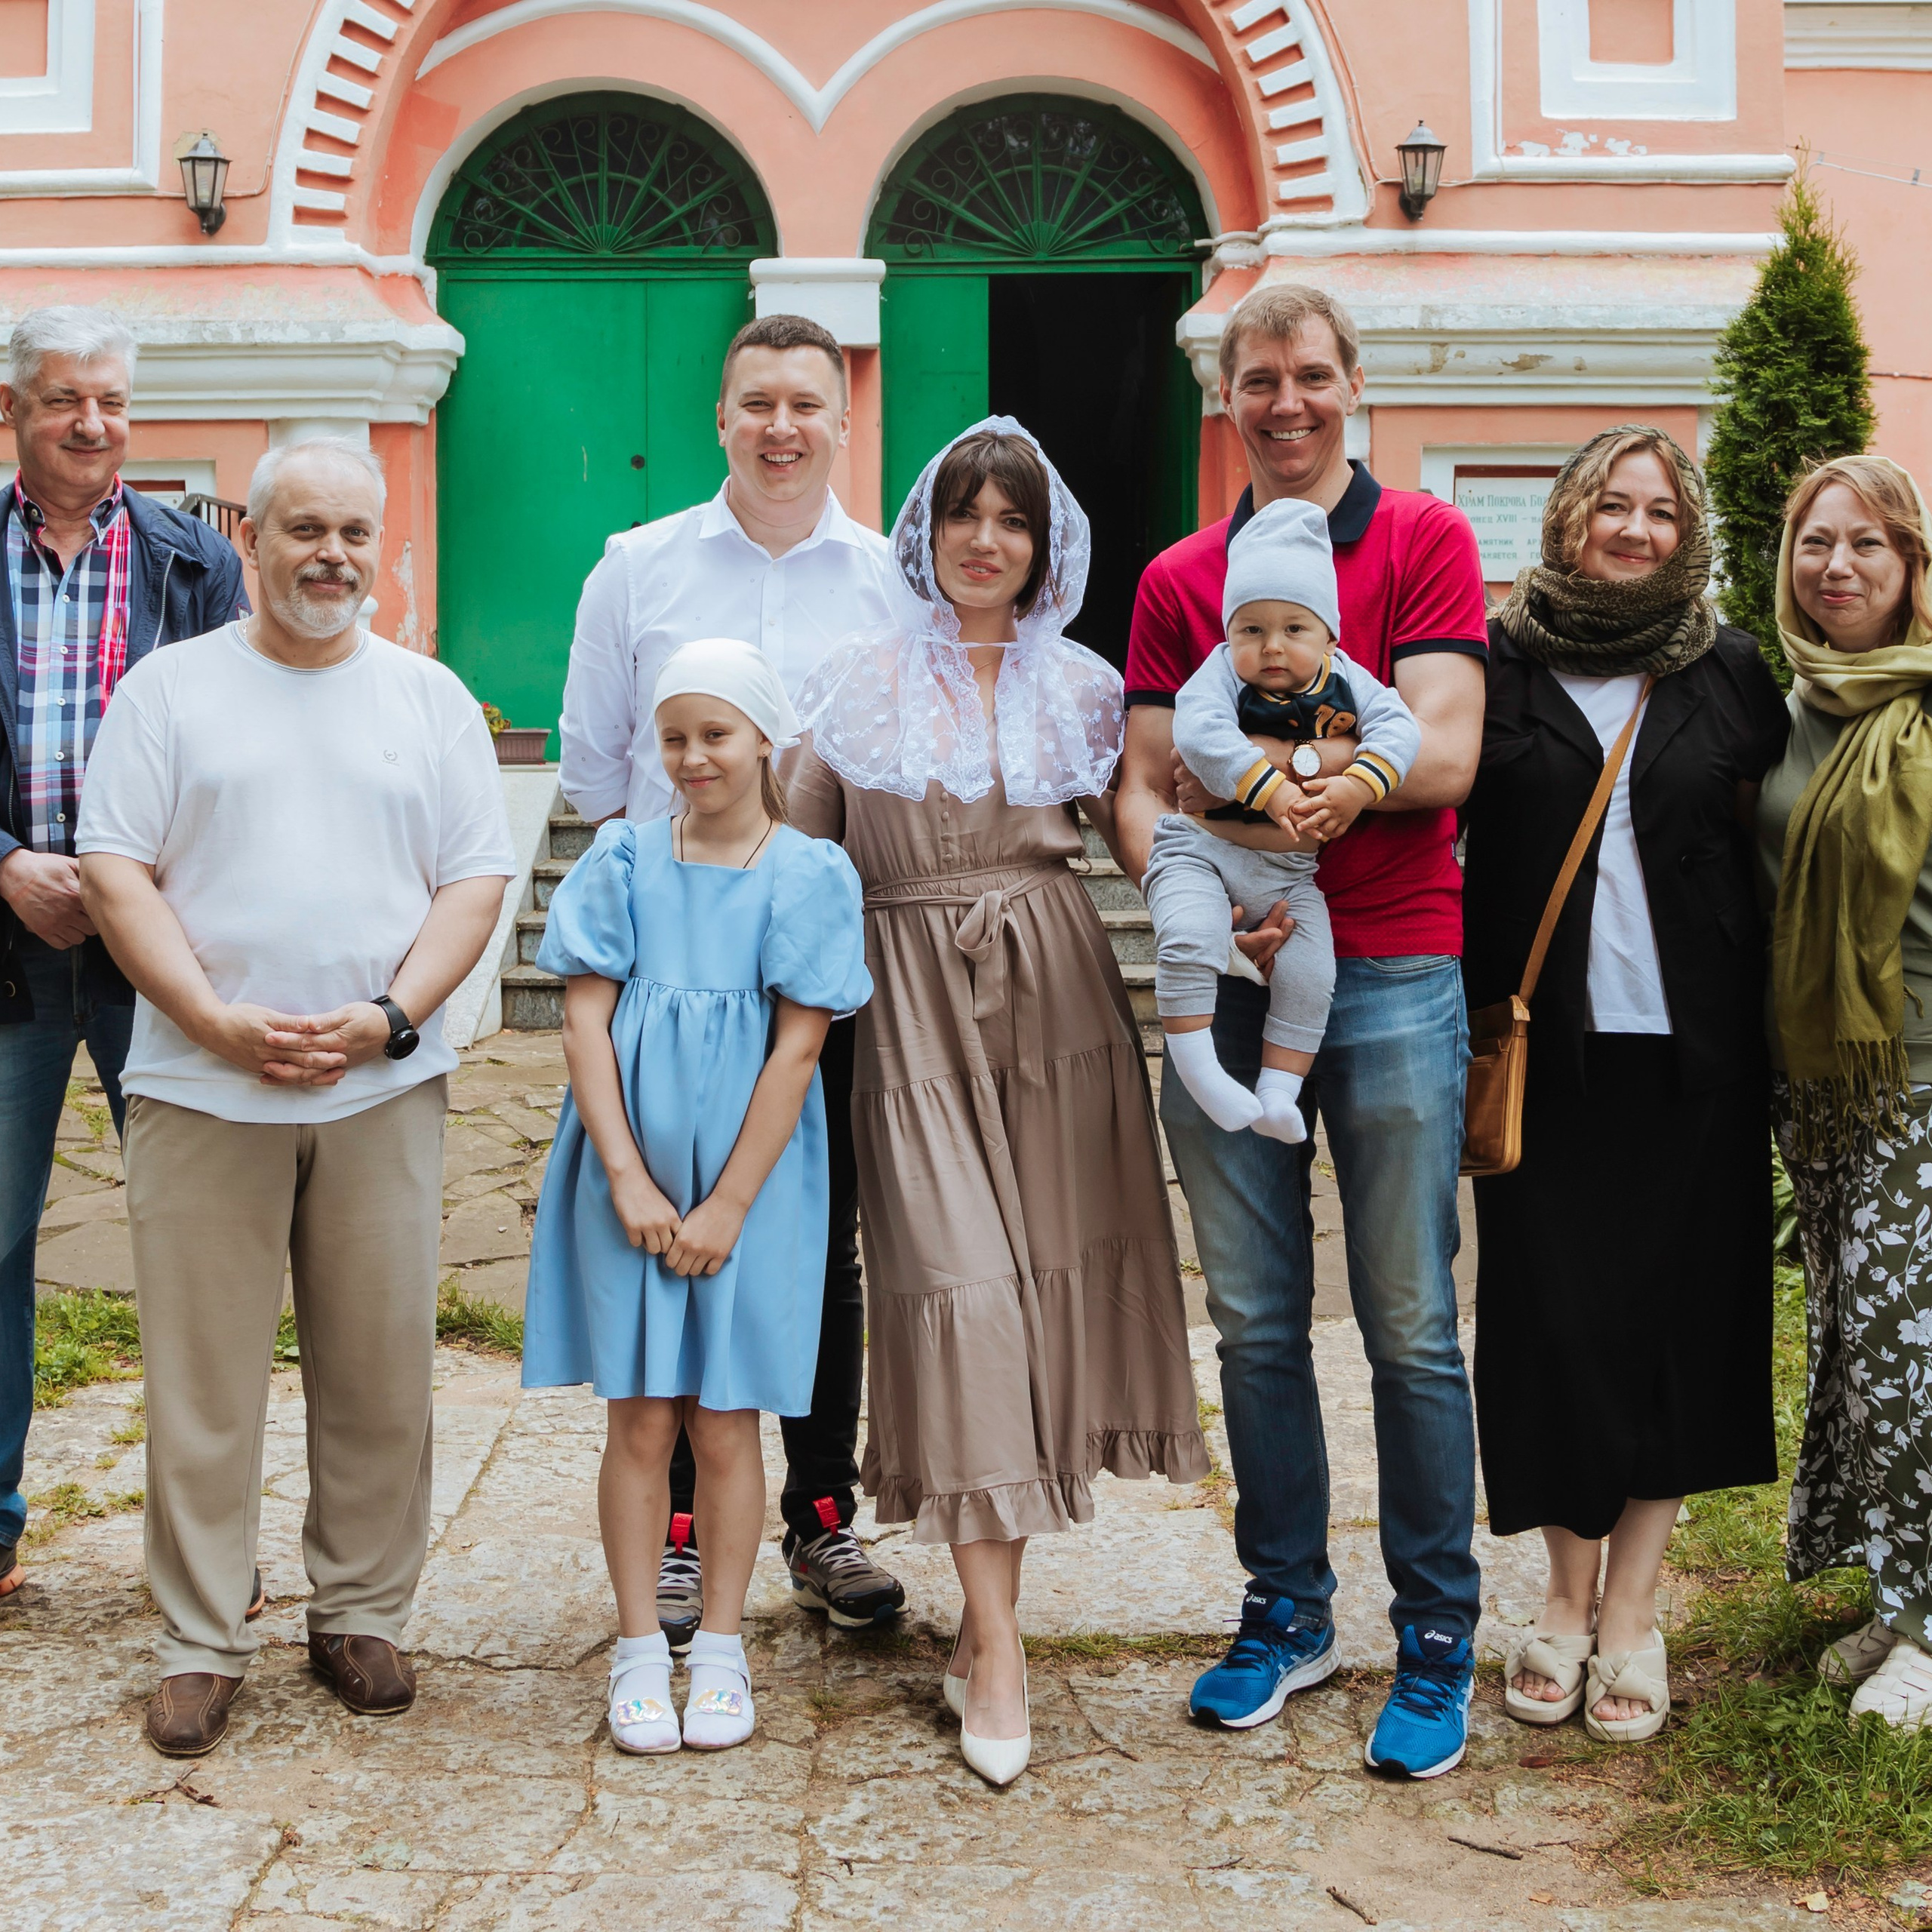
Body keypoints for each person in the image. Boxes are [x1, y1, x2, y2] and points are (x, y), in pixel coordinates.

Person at [75, 439, 512, 1757]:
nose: (331, 554)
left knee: (380, 1368)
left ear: (380, 549)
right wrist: (211, 1019)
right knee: (202, 1381)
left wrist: (393, 1017)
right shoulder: (168, 692)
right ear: (251, 540)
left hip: (380, 1085)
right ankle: (200, 1639)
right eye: (304, 529)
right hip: (201, 1085)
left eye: (353, 532)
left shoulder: (429, 700)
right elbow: (114, 871)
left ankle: (361, 1614)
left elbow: (474, 882)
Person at [792, 418, 1208, 1786]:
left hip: (1058, 1005)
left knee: (1034, 1304)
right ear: (924, 533)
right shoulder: (853, 682)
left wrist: (1225, 911)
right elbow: (784, 858)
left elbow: (1151, 821)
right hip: (906, 1012)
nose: (986, 540)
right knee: (960, 1293)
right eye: (964, 514)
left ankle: (987, 1623)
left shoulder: (1084, 688)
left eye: (1012, 520)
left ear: (1044, 546)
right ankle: (1006, 1648)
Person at [1116, 283, 1489, 1778]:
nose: (1287, 402)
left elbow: (1445, 746)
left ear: (1352, 383)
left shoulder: (1425, 541)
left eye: (1312, 374)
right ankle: (1285, 1613)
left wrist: (1321, 795)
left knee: (1410, 1322)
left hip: (1392, 965)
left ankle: (1438, 1635)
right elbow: (1142, 782)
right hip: (1232, 969)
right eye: (1259, 378)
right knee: (1257, 1322)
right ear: (1226, 395)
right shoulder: (1179, 578)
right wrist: (1198, 899)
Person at [558, 312, 904, 1643]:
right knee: (659, 1230)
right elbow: (597, 770)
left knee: (816, 1237)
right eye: (757, 402)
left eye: (806, 404)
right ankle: (683, 1528)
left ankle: (819, 1512)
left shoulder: (890, 582)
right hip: (666, 973)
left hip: (813, 954)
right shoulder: (635, 568)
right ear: (721, 416)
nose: (780, 427)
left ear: (842, 422)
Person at [1462, 425, 1786, 1743]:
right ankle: (1562, 1597)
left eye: (1660, 511)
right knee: (1552, 1322)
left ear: (1686, 532)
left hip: (1699, 1061)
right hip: (1547, 1060)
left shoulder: (1729, 670)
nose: (1636, 530)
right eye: (1613, 504)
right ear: (1567, 517)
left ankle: (1634, 1615)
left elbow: (1776, 843)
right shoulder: (1495, 666)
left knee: (1678, 1325)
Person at [525, 638, 869, 1755]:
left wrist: (728, 1205)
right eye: (673, 737)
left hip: (749, 1188)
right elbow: (585, 1022)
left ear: (764, 738)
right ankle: (638, 1649)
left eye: (715, 734)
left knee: (726, 1420)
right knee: (638, 1418)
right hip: (628, 1178)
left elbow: (798, 1049)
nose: (692, 757)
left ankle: (720, 1647)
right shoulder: (622, 859)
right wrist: (625, 1175)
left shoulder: (807, 872)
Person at [0, 305, 246, 1601]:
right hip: (6, 949)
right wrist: (3, 861)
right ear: (14, 413)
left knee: (200, 1249)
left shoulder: (195, 562)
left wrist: (129, 883)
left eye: (110, 401)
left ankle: (205, 1548)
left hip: (160, 953)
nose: (92, 423)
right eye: (63, 400)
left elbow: (250, 739)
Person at [1759, 453, 1932, 1734]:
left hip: (1921, 1076)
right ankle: (1900, 1587)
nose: (1838, 566)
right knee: (1855, 1353)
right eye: (1817, 542)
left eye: (1868, 543)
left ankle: (1926, 1628)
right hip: (1815, 1083)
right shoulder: (1788, 705)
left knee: (1906, 1355)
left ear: (1912, 564)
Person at [1147, 494, 1419, 1142]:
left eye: (1294, 628)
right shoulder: (1220, 674)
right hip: (1198, 851)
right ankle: (1202, 1073)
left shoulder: (1350, 680)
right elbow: (1199, 732)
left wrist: (1359, 785)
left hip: (1290, 873)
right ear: (1229, 634)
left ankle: (1277, 1092)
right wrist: (1268, 788)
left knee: (1312, 970)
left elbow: (1402, 729)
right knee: (1188, 936)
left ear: (1329, 635)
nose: (1271, 647)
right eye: (1250, 629)